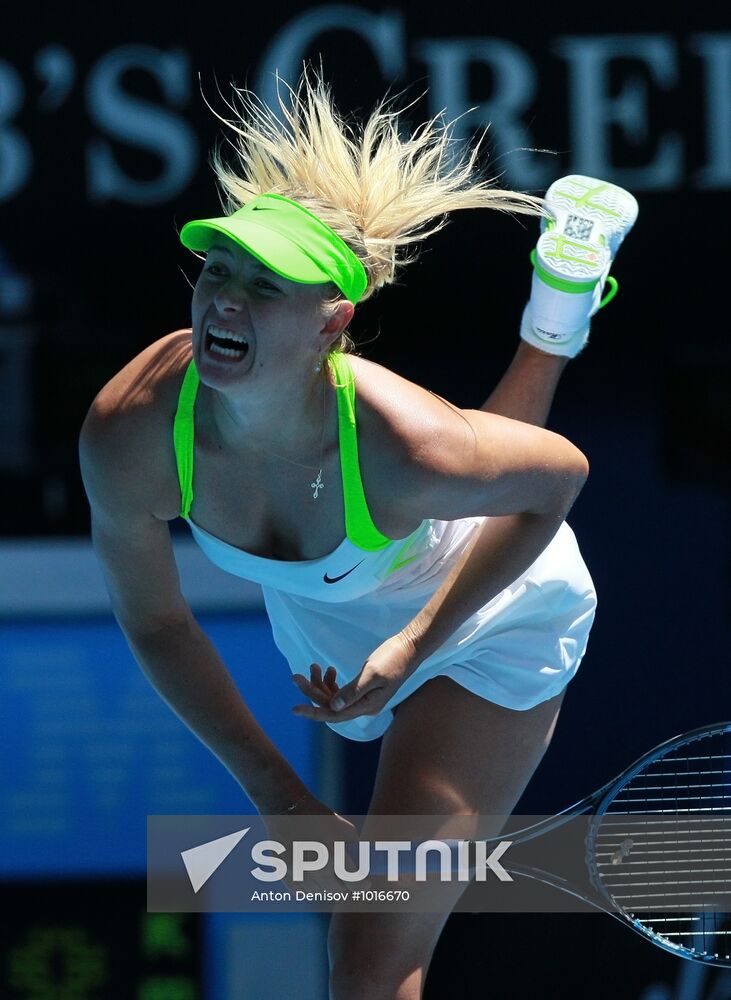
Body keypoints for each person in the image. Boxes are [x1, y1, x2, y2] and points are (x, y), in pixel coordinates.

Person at [78, 64, 637, 1000]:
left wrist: (419, 642)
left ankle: (555, 313)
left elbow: (555, 484)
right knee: (464, 470)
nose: (225, 300)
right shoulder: (132, 427)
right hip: (337, 625)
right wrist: (278, 794)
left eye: (265, 287)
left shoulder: (403, 442)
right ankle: (557, 302)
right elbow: (159, 624)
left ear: (331, 320)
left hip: (488, 618)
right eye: (219, 270)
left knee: (370, 960)